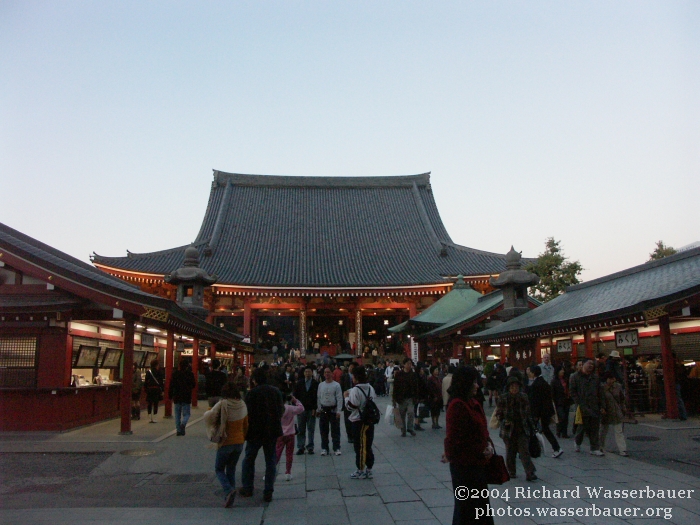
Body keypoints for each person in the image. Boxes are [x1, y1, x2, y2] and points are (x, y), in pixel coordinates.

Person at [442, 366, 495, 525]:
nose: (477, 386)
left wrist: (489, 446)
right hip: (465, 466)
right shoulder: (458, 405)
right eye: (474, 382)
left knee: (479, 508)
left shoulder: (472, 402)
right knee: (466, 510)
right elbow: (457, 439)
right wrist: (481, 449)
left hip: (477, 464)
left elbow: (483, 430)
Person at [239, 367, 284, 502]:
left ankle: (247, 487)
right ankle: (268, 490)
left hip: (255, 431)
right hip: (271, 430)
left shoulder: (251, 394)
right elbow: (281, 410)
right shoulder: (275, 391)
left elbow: (246, 413)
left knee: (249, 459)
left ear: (254, 380)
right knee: (270, 460)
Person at [204, 383, 248, 508]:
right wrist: (243, 437)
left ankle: (228, 490)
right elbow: (246, 425)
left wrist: (208, 410)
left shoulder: (222, 404)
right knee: (231, 469)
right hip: (239, 442)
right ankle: (229, 497)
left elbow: (209, 416)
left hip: (226, 442)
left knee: (219, 468)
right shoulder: (242, 404)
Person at [495, 376, 537, 481]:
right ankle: (511, 471)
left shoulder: (524, 397)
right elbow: (499, 414)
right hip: (509, 429)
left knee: (524, 451)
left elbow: (528, 413)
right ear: (509, 387)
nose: (514, 389)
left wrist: (533, 427)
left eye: (516, 386)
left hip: (522, 428)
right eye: (512, 387)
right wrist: (504, 421)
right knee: (510, 451)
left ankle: (530, 472)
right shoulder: (503, 398)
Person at [344, 365, 376, 479]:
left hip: (358, 421)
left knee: (360, 446)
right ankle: (369, 468)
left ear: (356, 377)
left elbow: (351, 406)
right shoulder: (370, 388)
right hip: (369, 420)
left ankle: (360, 469)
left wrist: (346, 398)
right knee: (368, 444)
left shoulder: (356, 389)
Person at [569, 359, 604, 455]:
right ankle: (577, 441)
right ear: (583, 364)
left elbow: (600, 392)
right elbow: (572, 391)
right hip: (582, 405)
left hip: (594, 405)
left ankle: (594, 448)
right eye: (589, 363)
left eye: (592, 364)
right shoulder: (575, 377)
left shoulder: (595, 378)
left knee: (594, 427)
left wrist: (602, 405)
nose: (591, 366)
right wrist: (578, 402)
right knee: (582, 426)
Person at [528, 365, 563, 458]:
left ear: (533, 373)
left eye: (530, 371)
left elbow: (535, 402)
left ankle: (556, 448)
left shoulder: (535, 385)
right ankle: (555, 447)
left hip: (541, 412)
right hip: (547, 410)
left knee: (543, 429)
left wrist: (535, 414)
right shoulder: (544, 382)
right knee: (545, 429)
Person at [276, 393, 305, 481]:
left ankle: (271, 471)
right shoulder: (290, 408)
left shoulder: (277, 408)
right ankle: (288, 472)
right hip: (290, 434)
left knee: (277, 454)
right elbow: (301, 408)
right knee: (289, 454)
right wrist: (295, 400)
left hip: (280, 434)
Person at [600, 372, 629, 456]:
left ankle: (622, 449)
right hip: (606, 411)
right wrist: (602, 408)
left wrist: (623, 408)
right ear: (607, 379)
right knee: (603, 430)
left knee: (619, 431)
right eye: (611, 379)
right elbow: (600, 399)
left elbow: (621, 398)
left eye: (613, 379)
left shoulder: (618, 386)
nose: (613, 380)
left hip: (616, 411)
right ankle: (600, 446)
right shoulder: (601, 388)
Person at [317, 366, 343, 456]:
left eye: (328, 372)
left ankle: (336, 447)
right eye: (325, 372)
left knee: (335, 430)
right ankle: (324, 448)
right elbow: (318, 397)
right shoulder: (321, 385)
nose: (327, 374)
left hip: (333, 410)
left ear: (332, 373)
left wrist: (339, 410)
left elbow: (339, 398)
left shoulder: (336, 385)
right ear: (323, 374)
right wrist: (318, 408)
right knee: (323, 430)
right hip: (324, 409)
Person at [293, 366, 319, 455]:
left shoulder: (315, 383)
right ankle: (301, 447)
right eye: (306, 372)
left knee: (311, 429)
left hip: (311, 409)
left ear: (312, 373)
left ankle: (310, 447)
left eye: (309, 372)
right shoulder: (299, 383)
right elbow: (295, 396)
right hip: (301, 409)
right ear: (304, 373)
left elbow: (317, 397)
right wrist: (296, 407)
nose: (307, 373)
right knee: (301, 429)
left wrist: (315, 408)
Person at [393, 358, 420, 437]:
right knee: (402, 415)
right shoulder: (399, 374)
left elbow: (416, 386)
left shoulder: (413, 374)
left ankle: (410, 428)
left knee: (411, 412)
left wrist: (416, 396)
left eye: (410, 364)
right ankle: (403, 430)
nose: (409, 365)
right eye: (408, 363)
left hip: (410, 398)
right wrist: (394, 398)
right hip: (401, 398)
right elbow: (396, 386)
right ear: (404, 365)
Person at [169, 359, 196, 435]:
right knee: (187, 414)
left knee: (177, 414)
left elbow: (171, 385)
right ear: (187, 366)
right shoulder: (190, 374)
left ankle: (178, 430)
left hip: (177, 396)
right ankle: (183, 424)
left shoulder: (175, 374)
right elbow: (193, 385)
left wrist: (170, 395)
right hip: (186, 396)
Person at [551, 367, 572, 438]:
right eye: (561, 370)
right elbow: (552, 393)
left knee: (566, 417)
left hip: (566, 400)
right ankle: (559, 430)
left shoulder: (566, 380)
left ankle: (564, 433)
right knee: (561, 416)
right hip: (558, 402)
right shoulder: (554, 381)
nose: (563, 371)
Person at [144, 359, 164, 423]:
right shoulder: (159, 372)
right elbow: (161, 382)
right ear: (156, 365)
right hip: (156, 389)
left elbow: (146, 382)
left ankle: (149, 416)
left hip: (150, 389)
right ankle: (154, 417)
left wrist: (146, 389)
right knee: (155, 403)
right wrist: (162, 390)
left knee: (149, 403)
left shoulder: (148, 372)